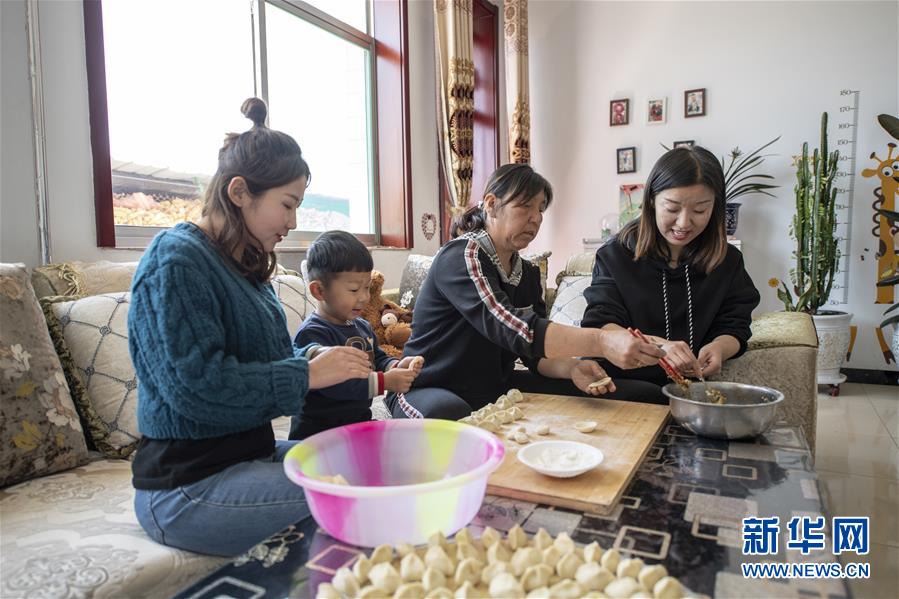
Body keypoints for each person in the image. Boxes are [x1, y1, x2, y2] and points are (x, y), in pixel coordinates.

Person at [128, 98, 371, 557]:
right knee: (357, 506)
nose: (293, 222)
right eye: (287, 204)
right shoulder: (175, 259)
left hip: (244, 458)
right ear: (240, 191)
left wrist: (309, 360)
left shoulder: (244, 267)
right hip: (185, 485)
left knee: (367, 469)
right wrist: (307, 374)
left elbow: (261, 367)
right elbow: (194, 387)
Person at [386, 164, 666, 421]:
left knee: (642, 394)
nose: (535, 219)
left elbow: (534, 356)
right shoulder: (462, 256)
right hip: (426, 386)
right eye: (524, 207)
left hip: (494, 387)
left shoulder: (528, 273)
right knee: (450, 413)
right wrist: (603, 341)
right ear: (492, 205)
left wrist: (571, 369)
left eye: (541, 209)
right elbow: (515, 328)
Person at [582, 145, 760, 390]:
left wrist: (720, 347)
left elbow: (736, 324)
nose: (684, 222)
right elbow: (603, 325)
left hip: (691, 389)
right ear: (652, 200)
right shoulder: (615, 255)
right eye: (672, 208)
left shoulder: (727, 260)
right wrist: (661, 346)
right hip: (621, 385)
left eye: (700, 210)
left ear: (715, 206)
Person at [287, 231, 423, 440]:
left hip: (357, 423)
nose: (364, 297)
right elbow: (337, 384)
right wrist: (385, 382)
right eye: (353, 290)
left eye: (367, 288)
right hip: (319, 433)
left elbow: (376, 357)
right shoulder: (312, 333)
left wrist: (395, 366)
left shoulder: (361, 325)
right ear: (319, 291)